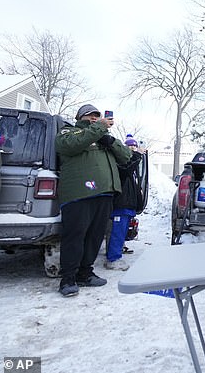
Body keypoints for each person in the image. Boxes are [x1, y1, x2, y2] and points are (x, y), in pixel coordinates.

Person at [55, 104, 131, 297]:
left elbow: (126, 156)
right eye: (91, 116)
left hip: (104, 193)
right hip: (79, 193)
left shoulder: (102, 137)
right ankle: (68, 279)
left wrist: (110, 140)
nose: (95, 119)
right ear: (81, 117)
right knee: (75, 236)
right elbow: (69, 146)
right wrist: (98, 129)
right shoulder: (69, 131)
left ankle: (85, 273)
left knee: (94, 237)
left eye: (97, 116)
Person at [104, 134, 145, 271]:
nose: (132, 148)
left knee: (120, 232)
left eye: (134, 145)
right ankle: (113, 259)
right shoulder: (120, 161)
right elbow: (126, 170)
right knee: (117, 232)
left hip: (127, 205)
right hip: (120, 204)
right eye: (129, 146)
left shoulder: (130, 163)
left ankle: (116, 253)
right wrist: (137, 155)